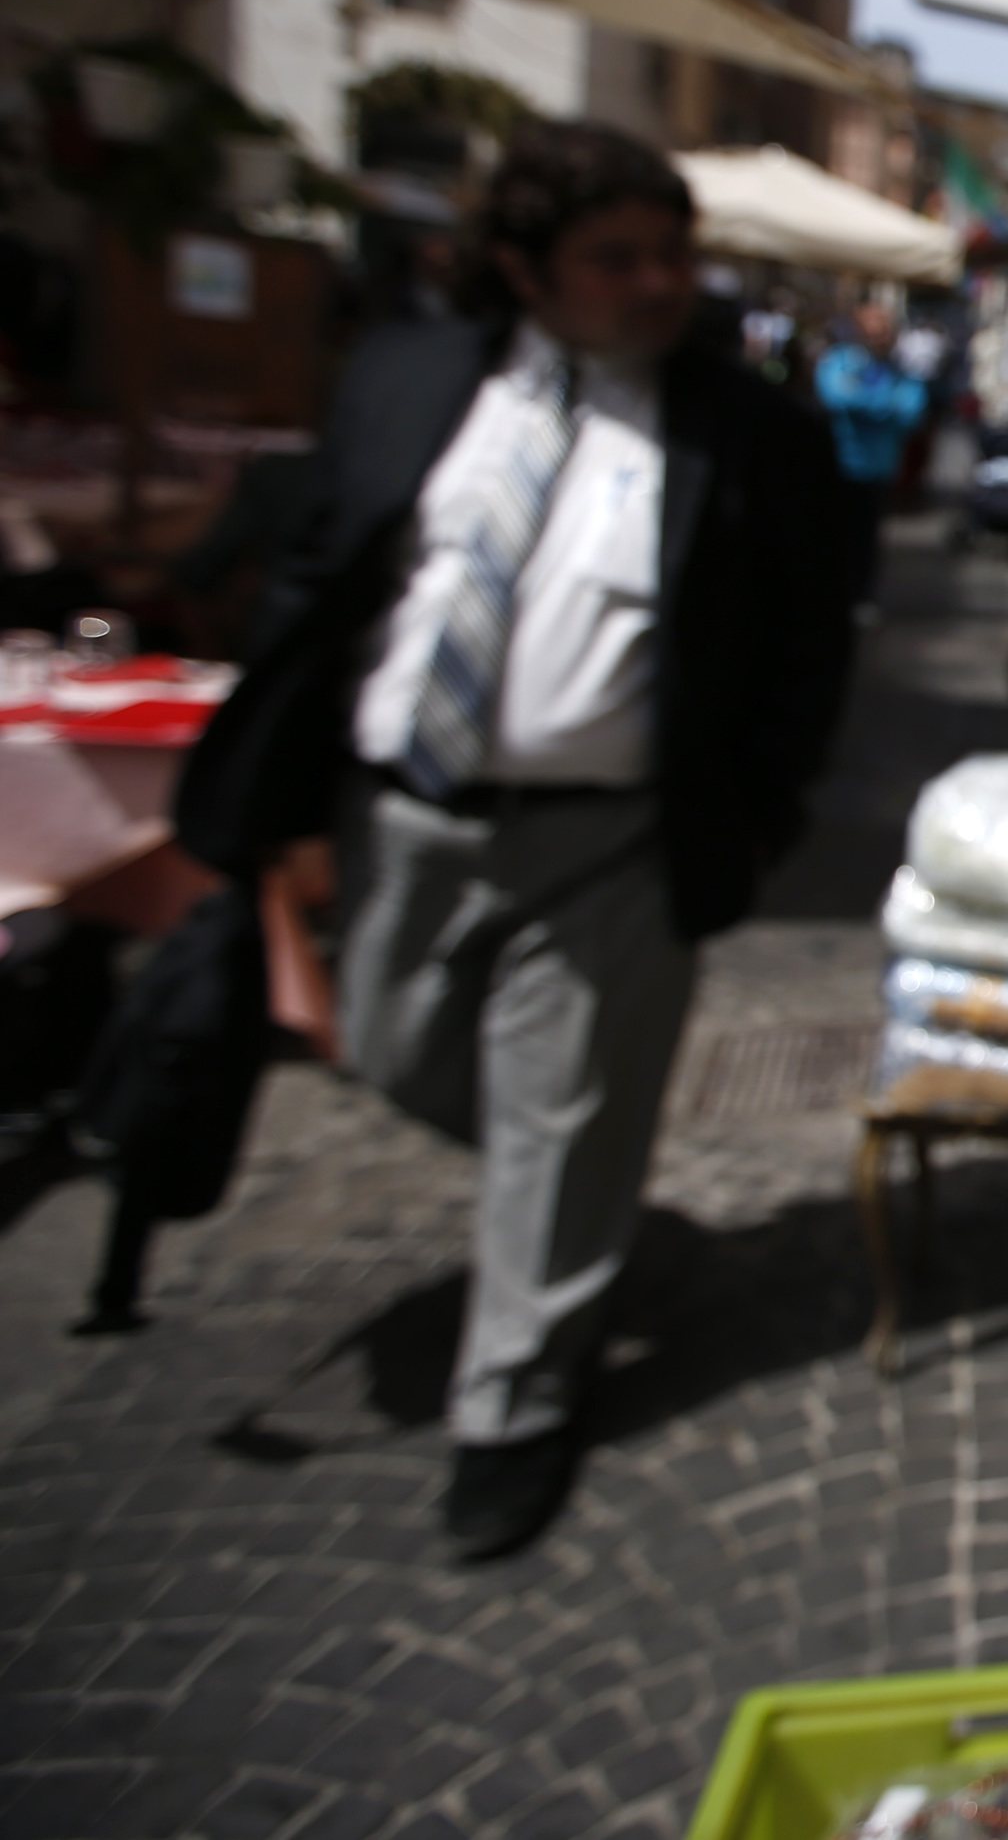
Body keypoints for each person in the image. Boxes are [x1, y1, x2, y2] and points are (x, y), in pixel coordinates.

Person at [174, 122, 853, 1558]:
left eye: (674, 253)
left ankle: (516, 1404)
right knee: (398, 1050)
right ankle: (579, 1204)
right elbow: (326, 573)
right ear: (522, 267)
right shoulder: (412, 384)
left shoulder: (749, 435)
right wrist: (285, 805)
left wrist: (763, 804)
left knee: (560, 1117)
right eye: (616, 259)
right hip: (406, 820)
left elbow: (805, 652)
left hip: (610, 841)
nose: (658, 283)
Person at [813, 301, 929, 617]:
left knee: (865, 538)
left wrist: (866, 402)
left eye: (883, 331)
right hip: (838, 463)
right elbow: (835, 395)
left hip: (877, 468)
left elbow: (912, 410)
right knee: (832, 535)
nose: (878, 337)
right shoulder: (841, 362)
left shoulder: (901, 371)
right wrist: (882, 405)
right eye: (871, 330)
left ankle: (860, 596)